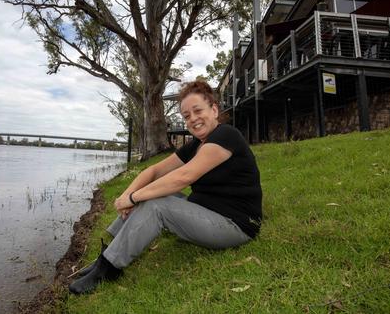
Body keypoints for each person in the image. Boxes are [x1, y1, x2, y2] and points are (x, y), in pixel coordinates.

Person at [69, 80, 263, 294]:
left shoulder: (226, 135)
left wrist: (134, 198)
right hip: (208, 210)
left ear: (214, 109)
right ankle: (106, 256)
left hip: (235, 225)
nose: (193, 119)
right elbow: (153, 172)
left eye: (198, 110)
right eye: (187, 116)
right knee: (148, 195)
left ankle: (109, 268)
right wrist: (127, 196)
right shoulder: (197, 145)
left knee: (156, 203)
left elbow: (183, 177)